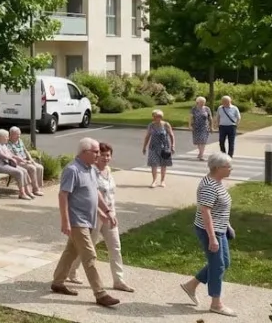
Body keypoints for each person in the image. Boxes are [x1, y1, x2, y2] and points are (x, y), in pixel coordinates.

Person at [49, 137, 121, 308]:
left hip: (89, 220)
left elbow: (96, 193)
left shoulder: (90, 169)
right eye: (95, 151)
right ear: (84, 152)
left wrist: (107, 212)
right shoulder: (72, 170)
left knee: (70, 252)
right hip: (77, 221)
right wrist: (65, 221)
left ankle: (58, 282)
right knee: (90, 256)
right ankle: (100, 294)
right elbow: (63, 195)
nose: (99, 154)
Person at [66, 142, 134, 292]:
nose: (105, 158)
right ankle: (72, 271)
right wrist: (101, 213)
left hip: (110, 214)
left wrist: (110, 213)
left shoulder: (109, 171)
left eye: (108, 155)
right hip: (94, 216)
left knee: (115, 247)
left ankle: (119, 280)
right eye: (102, 155)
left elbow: (109, 195)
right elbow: (90, 197)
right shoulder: (91, 172)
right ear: (96, 156)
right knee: (89, 248)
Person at [180, 152, 237, 317]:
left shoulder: (216, 181)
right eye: (229, 166)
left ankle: (190, 286)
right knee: (218, 266)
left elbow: (219, 208)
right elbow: (205, 212)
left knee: (223, 263)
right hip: (210, 231)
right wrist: (212, 238)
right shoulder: (209, 186)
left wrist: (227, 225)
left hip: (220, 229)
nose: (231, 169)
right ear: (218, 168)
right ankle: (216, 304)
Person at [0, 130, 33, 200]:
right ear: (1, 137)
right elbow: (1, 155)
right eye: (6, 136)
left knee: (24, 170)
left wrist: (19, 159)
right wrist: (12, 159)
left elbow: (11, 154)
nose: (8, 138)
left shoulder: (3, 145)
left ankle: (27, 191)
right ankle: (22, 193)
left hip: (5, 165)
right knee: (19, 172)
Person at [141, 108, 177, 188]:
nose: (158, 118)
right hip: (153, 147)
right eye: (156, 116)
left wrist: (172, 145)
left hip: (165, 147)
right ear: (153, 117)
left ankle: (162, 181)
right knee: (154, 164)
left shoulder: (166, 125)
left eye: (159, 116)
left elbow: (171, 135)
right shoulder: (151, 125)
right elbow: (147, 136)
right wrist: (144, 147)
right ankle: (154, 181)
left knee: (163, 164)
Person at [7, 126, 45, 196]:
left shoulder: (20, 141)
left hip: (25, 160)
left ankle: (37, 187)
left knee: (40, 167)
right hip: (17, 162)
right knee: (32, 168)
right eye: (17, 134)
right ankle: (35, 189)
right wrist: (25, 162)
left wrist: (30, 159)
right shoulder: (8, 144)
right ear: (11, 134)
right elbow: (12, 156)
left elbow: (25, 151)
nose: (19, 136)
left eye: (19, 134)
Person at [190, 96, 213, 161]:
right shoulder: (194, 109)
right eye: (201, 102)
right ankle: (200, 153)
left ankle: (201, 155)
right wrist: (190, 125)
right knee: (198, 141)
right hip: (196, 127)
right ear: (197, 102)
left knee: (203, 141)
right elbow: (191, 117)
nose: (203, 103)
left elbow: (210, 118)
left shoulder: (207, 109)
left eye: (204, 102)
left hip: (205, 127)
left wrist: (211, 126)